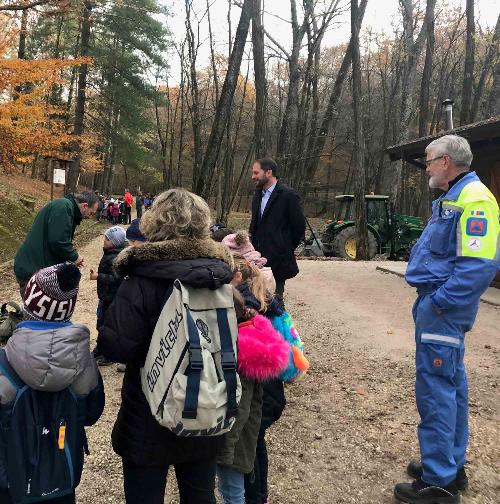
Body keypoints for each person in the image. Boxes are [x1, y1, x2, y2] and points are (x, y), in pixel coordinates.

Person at [96, 188, 234, 504]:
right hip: (205, 405)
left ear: (155, 223)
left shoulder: (142, 279)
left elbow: (116, 346)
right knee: (200, 496)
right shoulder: (219, 279)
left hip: (149, 412)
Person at [394, 135, 500, 504]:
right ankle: (449, 466)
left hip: (443, 311)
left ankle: (438, 483)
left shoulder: (475, 201)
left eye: (428, 160)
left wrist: (439, 303)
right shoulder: (453, 197)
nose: (426, 167)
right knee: (450, 384)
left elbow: (478, 267)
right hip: (437, 307)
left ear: (445, 162)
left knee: (436, 389)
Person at [0, 262, 105, 504]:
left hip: (11, 485)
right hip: (62, 479)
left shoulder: (4, 363)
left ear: (29, 302)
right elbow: (91, 413)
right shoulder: (85, 363)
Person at [216, 288, 288, 504]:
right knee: (235, 486)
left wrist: (225, 448)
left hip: (233, 439)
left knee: (232, 491)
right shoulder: (254, 341)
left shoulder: (238, 354)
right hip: (245, 435)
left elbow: (242, 407)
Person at [13, 191, 99, 297]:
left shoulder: (66, 207)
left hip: (37, 268)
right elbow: (58, 241)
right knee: (37, 312)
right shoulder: (64, 206)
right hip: (32, 269)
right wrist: (75, 257)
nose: (90, 217)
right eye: (91, 213)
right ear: (85, 205)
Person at [249, 158, 305, 308]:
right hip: (257, 258)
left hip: (279, 259)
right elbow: (255, 224)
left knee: (275, 302)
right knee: (257, 301)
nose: (253, 176)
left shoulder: (288, 195)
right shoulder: (257, 195)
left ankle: (281, 330)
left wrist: (285, 247)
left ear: (269, 172)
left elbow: (299, 226)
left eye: (256, 172)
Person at [90, 226, 128, 366]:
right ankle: (100, 349)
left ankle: (109, 354)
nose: (104, 241)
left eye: (107, 239)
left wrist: (98, 276)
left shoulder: (115, 257)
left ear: (114, 242)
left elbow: (117, 279)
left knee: (107, 325)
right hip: (105, 297)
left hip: (112, 297)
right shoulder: (110, 252)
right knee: (101, 323)